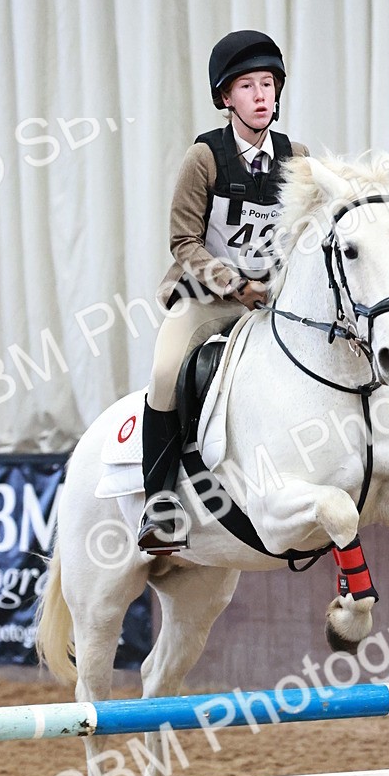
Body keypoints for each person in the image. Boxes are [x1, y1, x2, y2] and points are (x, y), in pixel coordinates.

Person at [138, 29, 309, 552]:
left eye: (268, 85)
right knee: (166, 373)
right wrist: (236, 285)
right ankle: (160, 501)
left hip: (270, 300)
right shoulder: (205, 160)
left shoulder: (296, 157)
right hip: (204, 297)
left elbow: (307, 234)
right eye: (247, 87)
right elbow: (182, 240)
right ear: (225, 98)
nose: (261, 96)